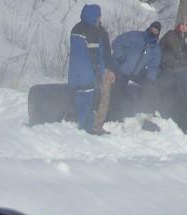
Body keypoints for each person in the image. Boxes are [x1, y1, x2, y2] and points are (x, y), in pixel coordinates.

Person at [109, 21, 162, 121]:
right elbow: (117, 42)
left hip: (136, 72)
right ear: (149, 28)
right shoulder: (135, 36)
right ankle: (112, 116)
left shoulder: (155, 49)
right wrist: (120, 57)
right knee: (116, 93)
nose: (153, 31)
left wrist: (150, 79)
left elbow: (153, 66)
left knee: (150, 87)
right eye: (152, 29)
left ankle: (143, 113)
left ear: (158, 33)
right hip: (122, 69)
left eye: (156, 30)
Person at [68, 4, 105, 133]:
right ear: (94, 16)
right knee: (89, 102)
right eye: (99, 16)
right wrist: (98, 73)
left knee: (81, 100)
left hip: (76, 72)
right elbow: (94, 54)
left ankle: (84, 127)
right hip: (87, 73)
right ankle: (86, 129)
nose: (100, 19)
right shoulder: (91, 30)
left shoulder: (77, 28)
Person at [159, 21, 187, 132]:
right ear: (178, 25)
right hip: (167, 70)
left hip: (182, 72)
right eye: (182, 24)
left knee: (181, 99)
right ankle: (164, 122)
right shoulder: (170, 34)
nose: (184, 27)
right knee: (165, 96)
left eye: (186, 25)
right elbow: (160, 47)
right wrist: (163, 59)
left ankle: (181, 125)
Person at [93, 17, 115, 135]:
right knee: (99, 98)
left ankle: (97, 125)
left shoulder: (102, 33)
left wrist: (110, 69)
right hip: (93, 70)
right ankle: (93, 125)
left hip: (102, 70)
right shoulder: (88, 31)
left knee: (104, 99)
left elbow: (107, 53)